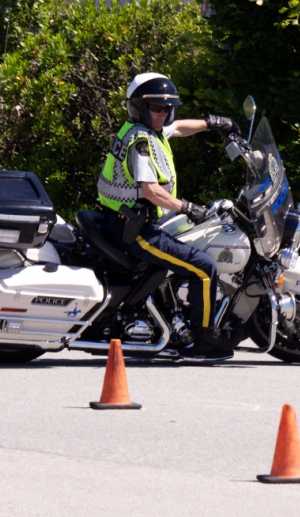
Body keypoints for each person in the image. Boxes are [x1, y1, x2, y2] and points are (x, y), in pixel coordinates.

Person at [96, 72, 240, 357]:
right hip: (135, 230)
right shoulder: (140, 143)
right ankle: (203, 339)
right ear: (139, 106)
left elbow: (179, 128)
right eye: (156, 108)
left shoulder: (147, 129)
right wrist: (187, 207)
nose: (163, 114)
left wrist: (214, 123)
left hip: (130, 220)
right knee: (204, 267)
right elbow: (151, 192)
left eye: (166, 108)